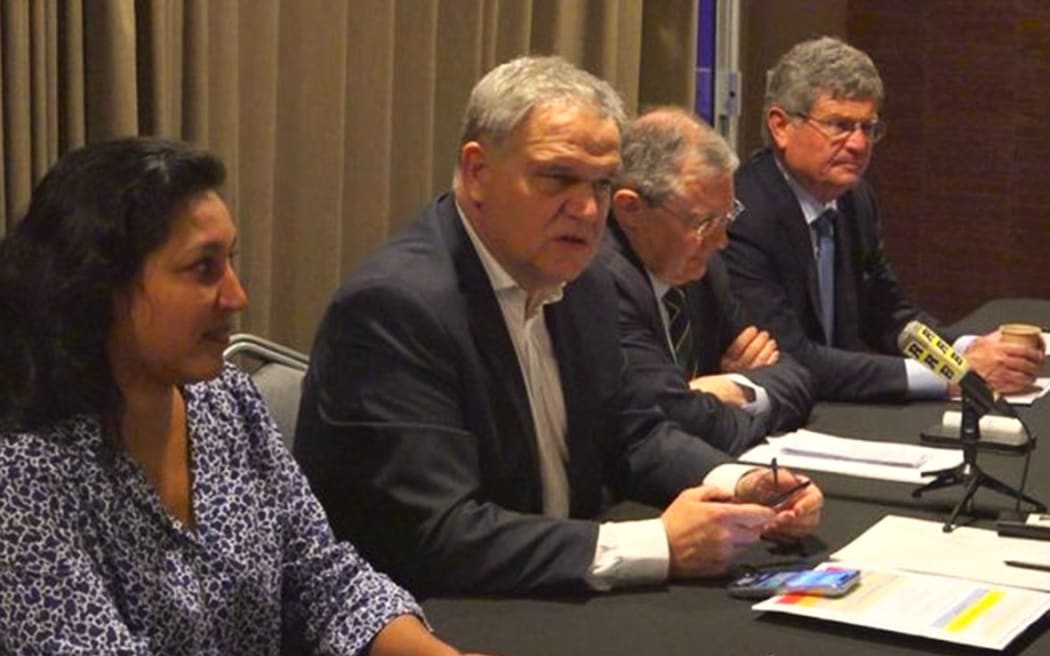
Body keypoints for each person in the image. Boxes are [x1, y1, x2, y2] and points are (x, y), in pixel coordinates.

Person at [294, 56, 823, 597]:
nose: (588, 211)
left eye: (599, 185)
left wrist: (741, 484)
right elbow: (436, 533)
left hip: (548, 597)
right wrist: (658, 544)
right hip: (438, 617)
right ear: (478, 174)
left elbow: (633, 432)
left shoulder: (583, 281)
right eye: (557, 178)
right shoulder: (396, 308)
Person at [0, 137, 464, 655]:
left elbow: (326, 583)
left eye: (231, 262)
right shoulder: (25, 469)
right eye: (204, 268)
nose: (237, 295)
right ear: (99, 286)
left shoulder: (228, 404)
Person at [725, 36, 1045, 402]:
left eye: (868, 128)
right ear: (781, 126)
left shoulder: (854, 199)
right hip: (776, 421)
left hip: (834, 409)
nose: (859, 145)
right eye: (840, 125)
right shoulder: (744, 215)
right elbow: (791, 357)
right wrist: (953, 374)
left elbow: (888, 313)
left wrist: (969, 346)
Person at [598, 106, 814, 455]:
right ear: (630, 209)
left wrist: (739, 388)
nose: (721, 241)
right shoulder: (603, 283)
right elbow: (682, 419)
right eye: (703, 223)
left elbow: (796, 375)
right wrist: (693, 401)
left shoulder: (702, 269)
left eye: (726, 217)